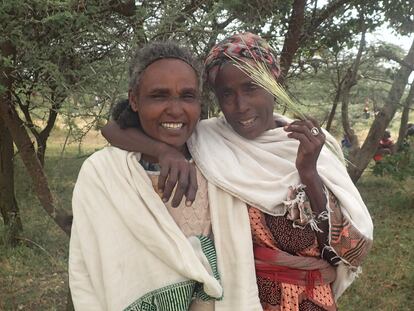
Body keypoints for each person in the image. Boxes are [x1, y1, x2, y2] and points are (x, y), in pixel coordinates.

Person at [102, 33, 373, 311]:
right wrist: (164, 152)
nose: (240, 106)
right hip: (235, 298)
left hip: (309, 302)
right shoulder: (207, 138)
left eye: (251, 88)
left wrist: (309, 174)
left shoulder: (308, 145)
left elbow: (352, 251)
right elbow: (112, 130)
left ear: (274, 84)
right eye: (226, 94)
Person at [69, 41, 262, 311]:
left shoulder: (218, 158)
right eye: (159, 96)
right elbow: (87, 268)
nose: (175, 109)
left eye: (187, 96)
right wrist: (163, 152)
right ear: (134, 100)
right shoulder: (102, 172)